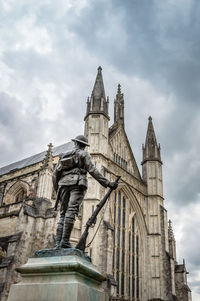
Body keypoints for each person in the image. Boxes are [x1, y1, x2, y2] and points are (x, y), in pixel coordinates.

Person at [53, 135, 118, 248]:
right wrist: (107, 183)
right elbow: (93, 170)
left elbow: (55, 174)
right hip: (77, 184)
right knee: (71, 212)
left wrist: (57, 188)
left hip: (63, 185)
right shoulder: (83, 154)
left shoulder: (64, 155)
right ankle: (64, 242)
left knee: (63, 214)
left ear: (75, 143)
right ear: (84, 146)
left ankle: (58, 243)